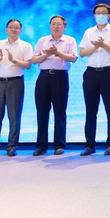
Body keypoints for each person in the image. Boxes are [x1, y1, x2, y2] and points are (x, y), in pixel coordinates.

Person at [79, 3, 110, 156]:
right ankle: (89, 145)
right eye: (98, 13)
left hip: (109, 73)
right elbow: (82, 53)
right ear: (94, 15)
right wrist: (95, 47)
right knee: (90, 110)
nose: (100, 15)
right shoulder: (89, 32)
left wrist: (103, 45)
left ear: (108, 15)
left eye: (103, 13)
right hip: (91, 73)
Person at [0, 19, 33, 157]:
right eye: (11, 27)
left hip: (16, 82)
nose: (13, 30)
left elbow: (28, 65)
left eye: (16, 27)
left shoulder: (25, 45)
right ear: (6, 29)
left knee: (14, 115)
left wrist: (13, 60)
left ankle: (12, 146)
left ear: (20, 30)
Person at [31, 15, 77, 156]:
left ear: (64, 27)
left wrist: (57, 53)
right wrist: (46, 55)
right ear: (50, 26)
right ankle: (41, 146)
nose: (56, 27)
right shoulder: (42, 40)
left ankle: (59, 145)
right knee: (42, 111)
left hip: (60, 77)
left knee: (59, 111)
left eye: (59, 24)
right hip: (43, 77)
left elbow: (73, 58)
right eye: (53, 24)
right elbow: (34, 60)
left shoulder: (70, 40)